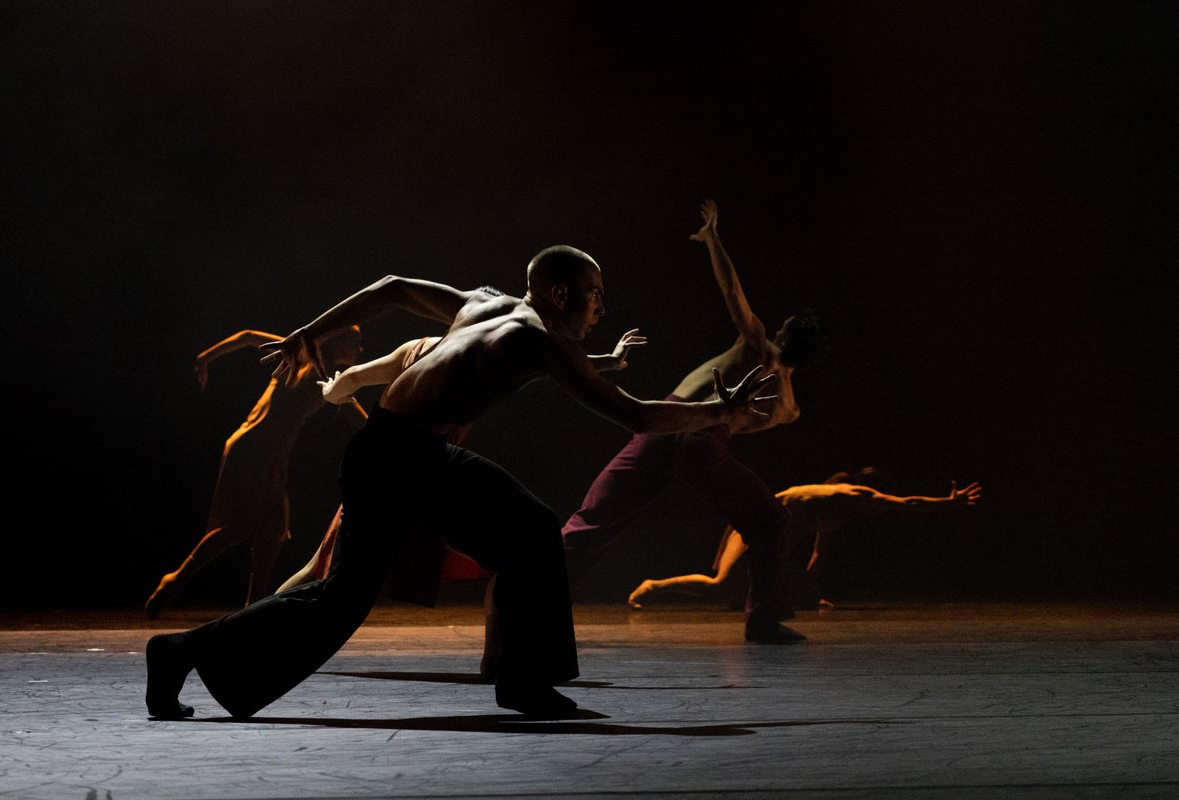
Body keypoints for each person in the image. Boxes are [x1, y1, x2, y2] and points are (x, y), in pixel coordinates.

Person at [145, 245, 776, 721]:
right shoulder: (539, 341)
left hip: (393, 452)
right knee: (362, 590)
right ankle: (524, 682)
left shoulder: (485, 303)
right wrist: (724, 413)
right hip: (405, 460)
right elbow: (636, 414)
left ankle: (180, 653)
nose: (600, 308)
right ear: (558, 294)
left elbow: (392, 287)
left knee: (515, 534)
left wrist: (311, 330)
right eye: (593, 295)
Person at [561, 200, 820, 642]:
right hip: (704, 443)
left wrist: (713, 239)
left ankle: (529, 587)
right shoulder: (790, 407)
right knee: (771, 520)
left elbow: (732, 293)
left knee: (593, 519)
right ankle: (763, 619)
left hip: (670, 423)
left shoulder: (757, 345)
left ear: (782, 335)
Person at [274, 328, 648, 597]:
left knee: (505, 553)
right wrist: (331, 390)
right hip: (397, 477)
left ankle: (498, 658)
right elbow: (354, 378)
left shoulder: (463, 355)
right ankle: (257, 628)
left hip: (417, 480)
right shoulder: (434, 352)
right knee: (327, 570)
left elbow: (548, 363)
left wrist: (610, 362)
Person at [145, 326, 365, 619]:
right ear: (337, 344)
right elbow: (352, 409)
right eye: (356, 343)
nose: (360, 350)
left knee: (273, 529)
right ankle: (176, 579)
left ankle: (253, 605)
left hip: (267, 449)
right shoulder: (322, 373)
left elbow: (249, 336)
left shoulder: (298, 355)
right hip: (254, 446)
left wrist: (206, 358)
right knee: (237, 527)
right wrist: (392, 436)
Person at [627, 473, 983, 609]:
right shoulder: (849, 494)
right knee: (722, 586)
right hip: (751, 522)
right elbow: (907, 503)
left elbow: (815, 558)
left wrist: (813, 596)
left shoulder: (836, 517)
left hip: (767, 533)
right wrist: (948, 503)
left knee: (734, 593)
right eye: (879, 503)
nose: (879, 511)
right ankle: (654, 586)